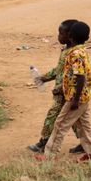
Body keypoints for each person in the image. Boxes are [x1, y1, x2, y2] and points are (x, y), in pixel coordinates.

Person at [44, 21, 91, 161]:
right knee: (84, 126)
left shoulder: (75, 54)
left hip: (76, 98)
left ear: (70, 36)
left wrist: (75, 99)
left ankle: (50, 155)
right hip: (84, 97)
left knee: (60, 124)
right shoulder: (82, 51)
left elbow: (80, 77)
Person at [28, 19, 77, 154]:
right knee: (78, 120)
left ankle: (43, 143)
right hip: (66, 93)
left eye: (61, 33)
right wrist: (43, 78)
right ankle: (86, 144)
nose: (58, 36)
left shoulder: (73, 54)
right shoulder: (65, 50)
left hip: (65, 93)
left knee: (52, 116)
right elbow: (59, 70)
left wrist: (60, 88)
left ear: (70, 35)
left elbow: (73, 77)